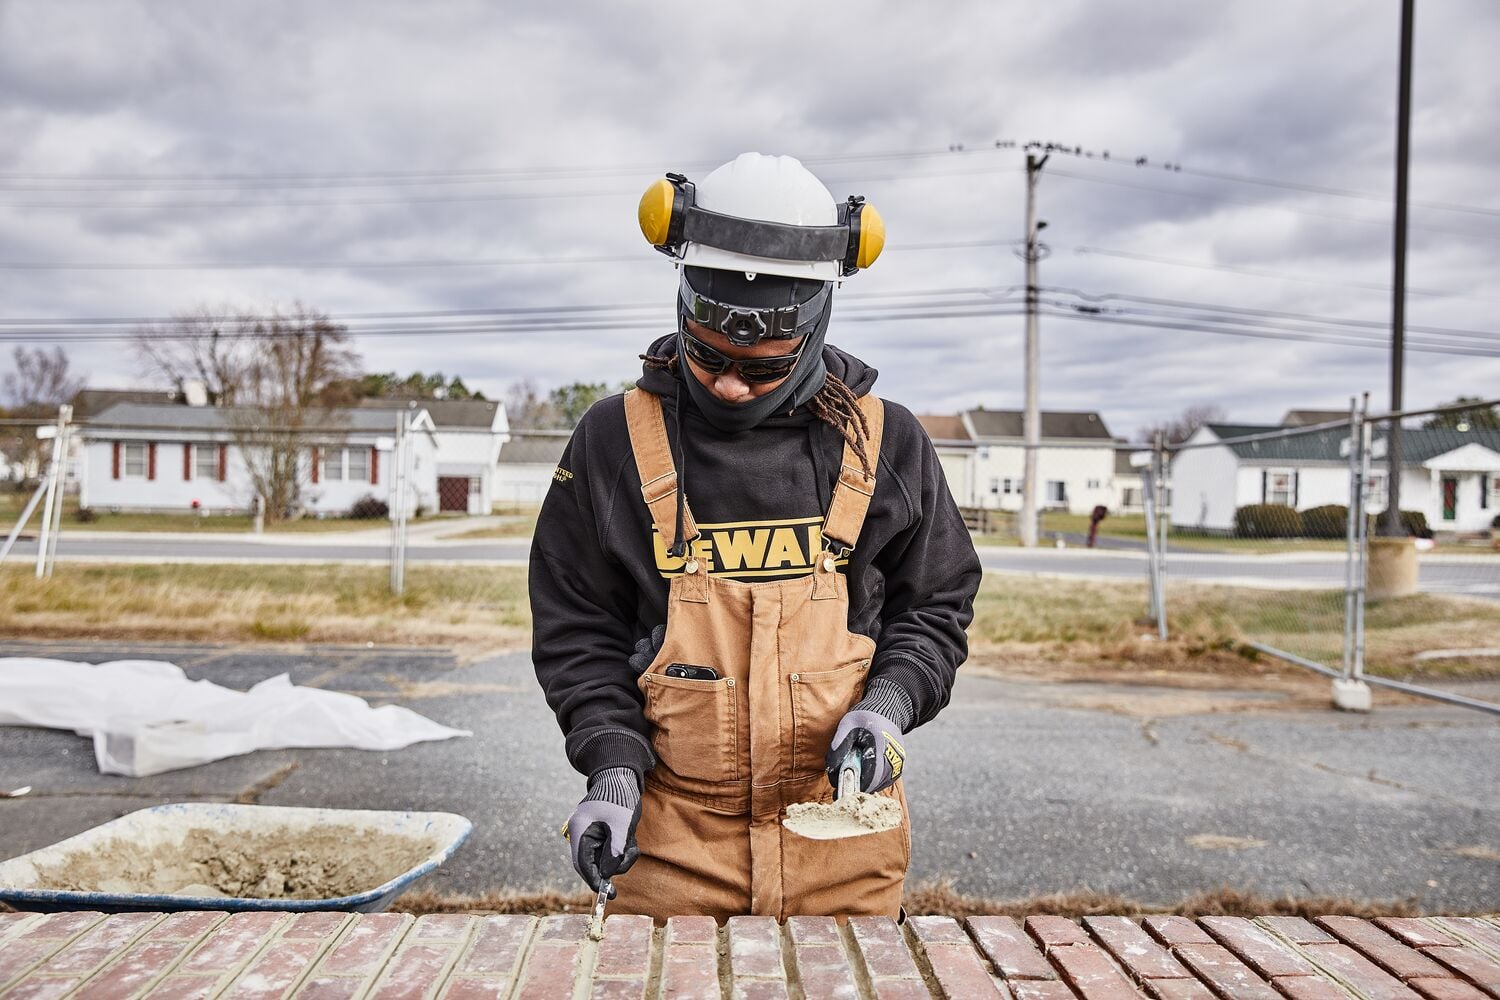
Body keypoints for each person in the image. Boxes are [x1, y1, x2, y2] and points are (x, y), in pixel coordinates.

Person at [531, 152, 981, 922]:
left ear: (814, 333)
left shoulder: (884, 445)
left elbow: (935, 606)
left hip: (841, 838)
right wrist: (610, 771)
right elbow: (579, 631)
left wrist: (890, 704)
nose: (731, 384)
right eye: (708, 358)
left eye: (764, 367)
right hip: (669, 847)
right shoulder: (613, 442)